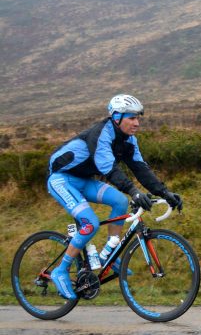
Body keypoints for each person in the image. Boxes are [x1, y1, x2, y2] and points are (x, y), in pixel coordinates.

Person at [47, 94, 183, 300]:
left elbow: (140, 168)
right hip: (61, 180)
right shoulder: (101, 133)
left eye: (139, 118)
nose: (137, 123)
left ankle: (109, 255)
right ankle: (60, 270)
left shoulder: (129, 140)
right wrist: (134, 192)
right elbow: (108, 168)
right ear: (117, 117)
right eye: (132, 118)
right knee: (90, 223)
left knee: (119, 202)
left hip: (83, 180)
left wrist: (164, 192)